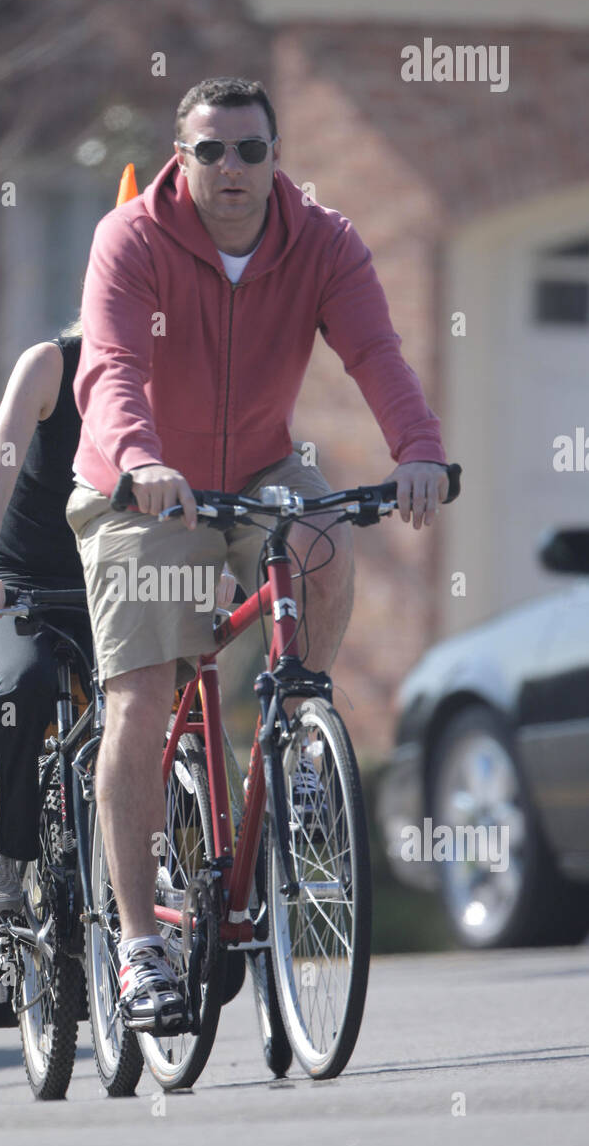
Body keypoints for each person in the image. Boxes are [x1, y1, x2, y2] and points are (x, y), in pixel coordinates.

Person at [66, 76, 451, 1033]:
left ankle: (302, 725)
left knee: (321, 533)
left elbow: (377, 354)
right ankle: (139, 946)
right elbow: (109, 368)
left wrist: (418, 453)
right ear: (179, 156)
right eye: (211, 151)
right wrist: (144, 460)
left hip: (263, 467)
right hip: (140, 481)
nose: (231, 168)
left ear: (277, 157)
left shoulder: (323, 241)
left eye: (250, 149)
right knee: (143, 695)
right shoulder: (132, 239)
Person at [0, 321, 93, 915]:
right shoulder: (50, 365)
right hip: (19, 589)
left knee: (149, 699)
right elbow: (0, 462)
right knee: (26, 683)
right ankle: (0, 843)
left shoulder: (160, 378)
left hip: (109, 588)